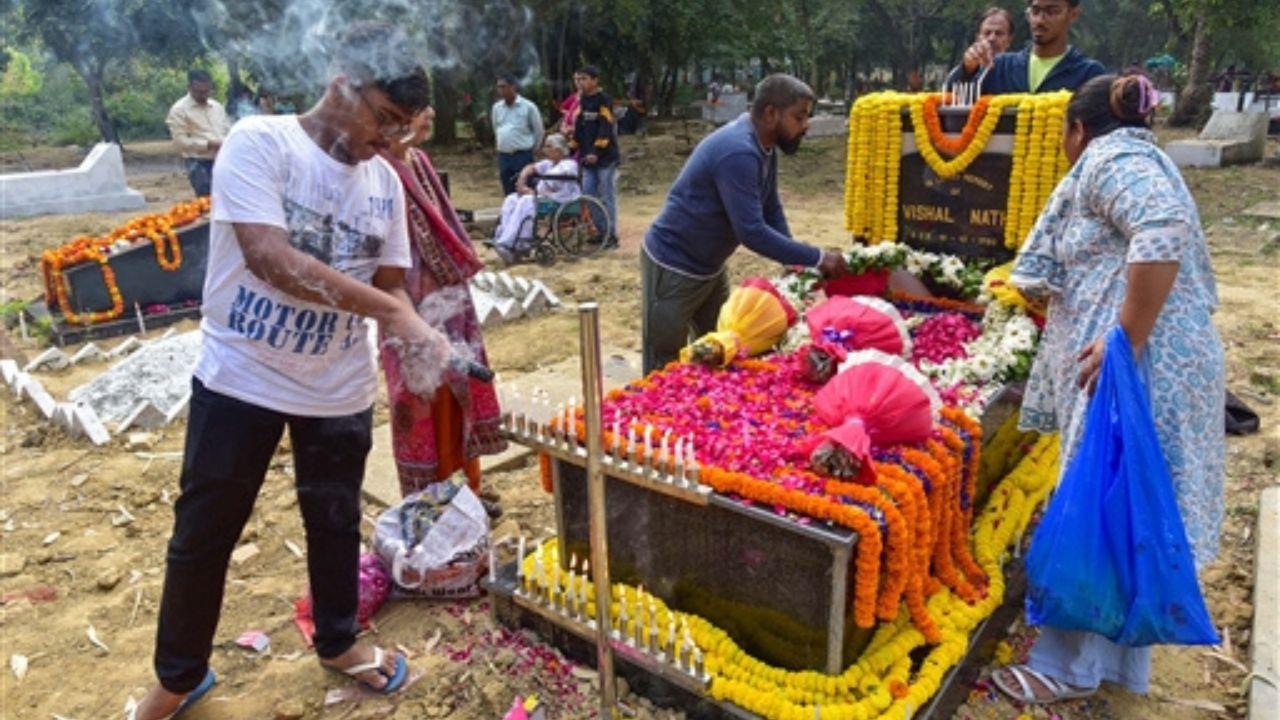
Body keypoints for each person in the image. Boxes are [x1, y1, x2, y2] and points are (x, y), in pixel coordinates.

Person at [130, 23, 450, 718]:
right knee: (204, 533)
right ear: (342, 81)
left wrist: (416, 326)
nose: (390, 141)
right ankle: (179, 676)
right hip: (240, 378)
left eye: (404, 129)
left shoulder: (384, 185)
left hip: (336, 387)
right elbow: (271, 260)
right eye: (384, 120)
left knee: (333, 520)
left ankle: (338, 643)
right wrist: (394, 316)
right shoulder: (259, 143)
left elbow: (390, 284)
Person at [994, 74, 1224, 704]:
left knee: (1104, 509)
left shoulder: (1109, 158)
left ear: (1077, 129)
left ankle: (1069, 668)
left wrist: (1125, 336)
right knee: (1128, 513)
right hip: (1151, 368)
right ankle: (1113, 665)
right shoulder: (1137, 156)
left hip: (1137, 373)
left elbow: (1162, 224)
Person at [641, 74, 848, 374]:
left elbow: (771, 207)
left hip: (710, 267)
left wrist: (795, 262)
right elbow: (751, 231)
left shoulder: (764, 144)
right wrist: (816, 257)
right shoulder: (738, 151)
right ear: (771, 113)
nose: (805, 126)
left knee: (720, 351)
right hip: (674, 265)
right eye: (799, 117)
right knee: (664, 364)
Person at [377, 105, 507, 498]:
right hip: (407, 297)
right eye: (417, 109)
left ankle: (468, 488)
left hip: (448, 293)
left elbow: (443, 231)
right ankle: (433, 498)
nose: (431, 113)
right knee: (423, 395)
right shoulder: (378, 169)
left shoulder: (419, 160)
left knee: (460, 384)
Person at [947, 0, 1105, 94]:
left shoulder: (1088, 74)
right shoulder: (999, 67)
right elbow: (952, 100)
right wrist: (967, 70)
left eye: (1052, 11)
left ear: (1073, 14)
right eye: (1035, 11)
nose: (1040, 20)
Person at [492, 133, 580, 263]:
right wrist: (522, 180)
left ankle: (514, 243)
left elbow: (551, 184)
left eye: (548, 147)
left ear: (558, 150)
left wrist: (531, 192)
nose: (544, 150)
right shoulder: (549, 163)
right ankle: (503, 237)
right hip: (544, 198)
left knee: (527, 201)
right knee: (511, 199)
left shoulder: (569, 165)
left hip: (561, 200)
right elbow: (531, 167)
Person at [570, 65, 620, 246]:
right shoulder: (583, 100)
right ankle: (601, 231)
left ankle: (612, 235)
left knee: (607, 197)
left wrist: (596, 151)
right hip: (588, 159)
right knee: (589, 196)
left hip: (605, 159)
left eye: (584, 79)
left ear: (594, 80)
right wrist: (572, 148)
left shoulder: (603, 100)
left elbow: (606, 127)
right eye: (579, 79)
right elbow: (579, 126)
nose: (580, 82)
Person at [165, 69, 231, 197]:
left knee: (226, 198)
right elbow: (180, 143)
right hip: (198, 163)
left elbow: (227, 129)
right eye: (199, 92)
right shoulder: (179, 110)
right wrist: (208, 144)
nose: (204, 95)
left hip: (222, 159)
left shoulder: (217, 107)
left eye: (207, 91)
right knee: (207, 201)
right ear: (189, 88)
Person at [492, 74, 544, 196]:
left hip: (522, 155)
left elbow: (538, 130)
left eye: (503, 87)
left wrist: (533, 148)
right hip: (504, 155)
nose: (500, 91)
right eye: (499, 87)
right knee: (507, 188)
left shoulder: (528, 107)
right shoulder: (497, 108)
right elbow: (496, 128)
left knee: (525, 187)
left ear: (513, 87)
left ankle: (527, 214)